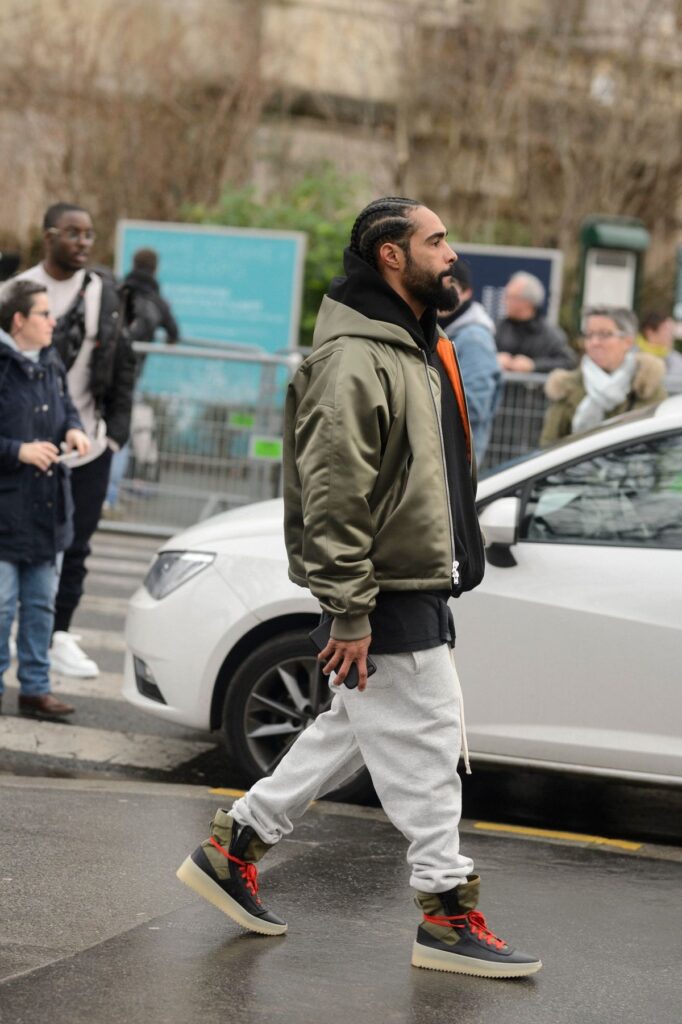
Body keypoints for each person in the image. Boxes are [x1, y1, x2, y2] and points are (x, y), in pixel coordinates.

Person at [177, 197, 542, 979]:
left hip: (410, 582)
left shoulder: (412, 343)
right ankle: (446, 914)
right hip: (384, 591)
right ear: (390, 256)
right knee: (431, 745)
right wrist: (349, 613)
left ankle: (232, 849)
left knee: (346, 728)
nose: (451, 254)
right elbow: (337, 497)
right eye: (436, 241)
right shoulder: (355, 359)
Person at [13, 202, 136, 677]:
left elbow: (123, 362)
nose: (83, 242)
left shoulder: (103, 292)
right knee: (19, 544)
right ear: (48, 236)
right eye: (72, 234)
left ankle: (57, 633)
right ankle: (20, 630)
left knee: (77, 545)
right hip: (26, 449)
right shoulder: (17, 291)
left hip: (89, 445)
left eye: (88, 235)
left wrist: (116, 435)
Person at [0, 281, 90, 718]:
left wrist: (73, 428)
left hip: (46, 509)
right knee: (0, 608)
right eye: (43, 314)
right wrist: (18, 450)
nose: (53, 321)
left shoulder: (50, 360)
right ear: (19, 321)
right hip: (6, 509)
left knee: (39, 606)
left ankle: (35, 688)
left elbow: (66, 407)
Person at [104, 248, 180, 513]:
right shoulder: (157, 301)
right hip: (129, 375)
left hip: (104, 370)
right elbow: (174, 333)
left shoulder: (119, 291)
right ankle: (109, 497)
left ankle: (101, 492)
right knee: (120, 430)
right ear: (155, 269)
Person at [540, 305, 667, 446]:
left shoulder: (646, 387)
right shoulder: (566, 387)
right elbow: (548, 445)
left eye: (605, 335)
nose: (594, 342)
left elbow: (659, 446)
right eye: (589, 335)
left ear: (628, 341)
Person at [439, 259, 502, 464]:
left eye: (450, 286)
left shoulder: (474, 338)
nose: (441, 292)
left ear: (466, 293)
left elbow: (473, 407)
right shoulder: (443, 331)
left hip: (457, 456)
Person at [496, 271, 575, 373]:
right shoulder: (498, 328)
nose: (504, 301)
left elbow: (569, 362)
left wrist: (534, 365)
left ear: (527, 302)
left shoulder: (550, 335)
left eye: (511, 297)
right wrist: (494, 359)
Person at [638, 311, 682, 393]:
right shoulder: (631, 353)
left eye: (672, 331)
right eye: (667, 330)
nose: (671, 335)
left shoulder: (676, 359)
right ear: (650, 332)